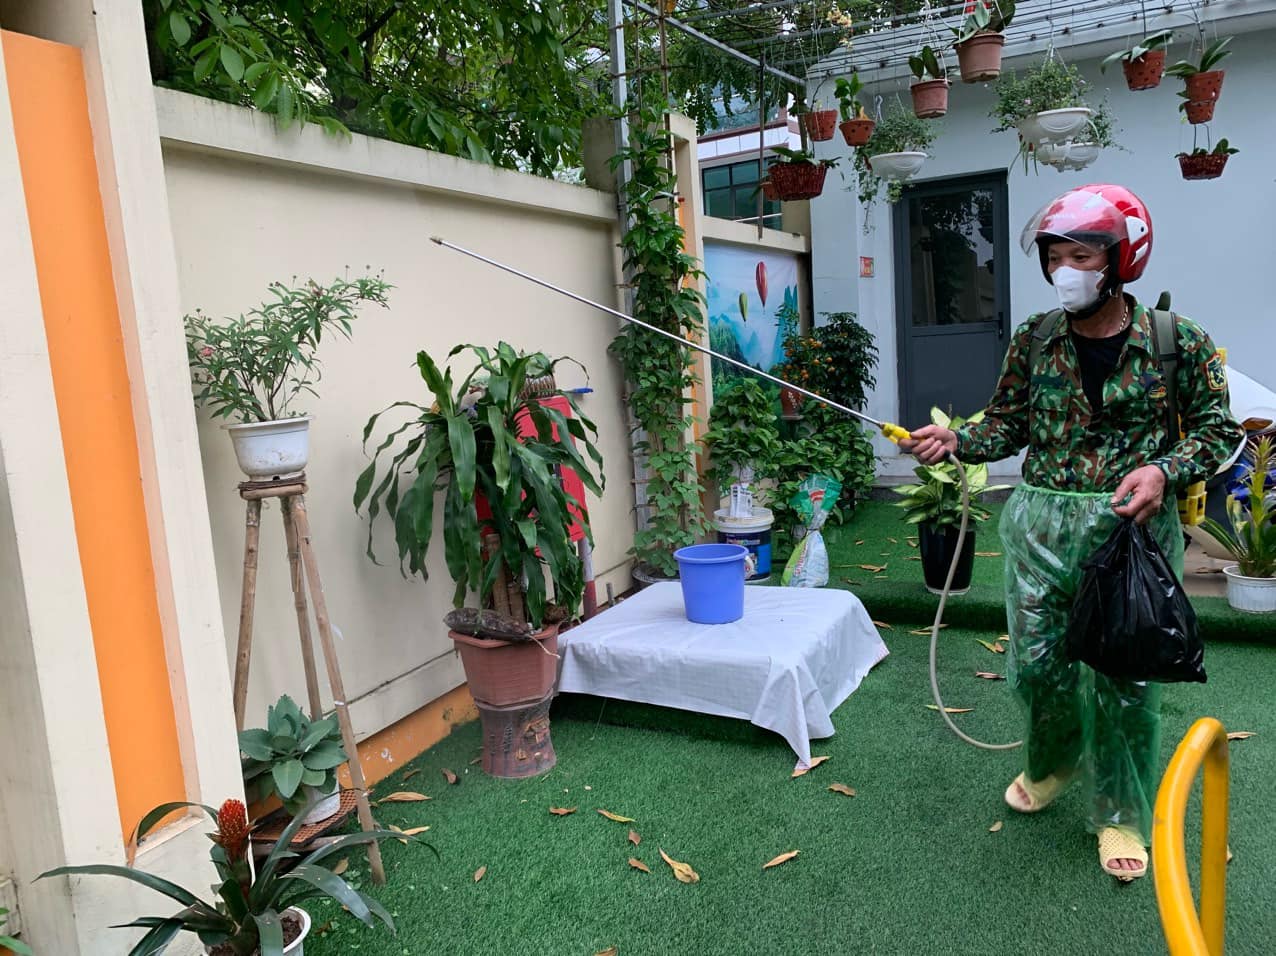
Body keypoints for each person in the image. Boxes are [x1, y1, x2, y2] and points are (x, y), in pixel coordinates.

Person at [902, 184, 1242, 882]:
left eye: (1080, 256)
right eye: (1055, 257)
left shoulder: (1177, 341)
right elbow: (1008, 424)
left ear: (1120, 260)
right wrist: (957, 440)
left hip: (1128, 537)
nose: (1064, 270)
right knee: (1039, 667)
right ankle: (1053, 762)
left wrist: (1162, 470)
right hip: (1041, 531)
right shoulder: (1035, 338)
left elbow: (1218, 432)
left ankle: (1121, 811)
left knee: (1124, 681)